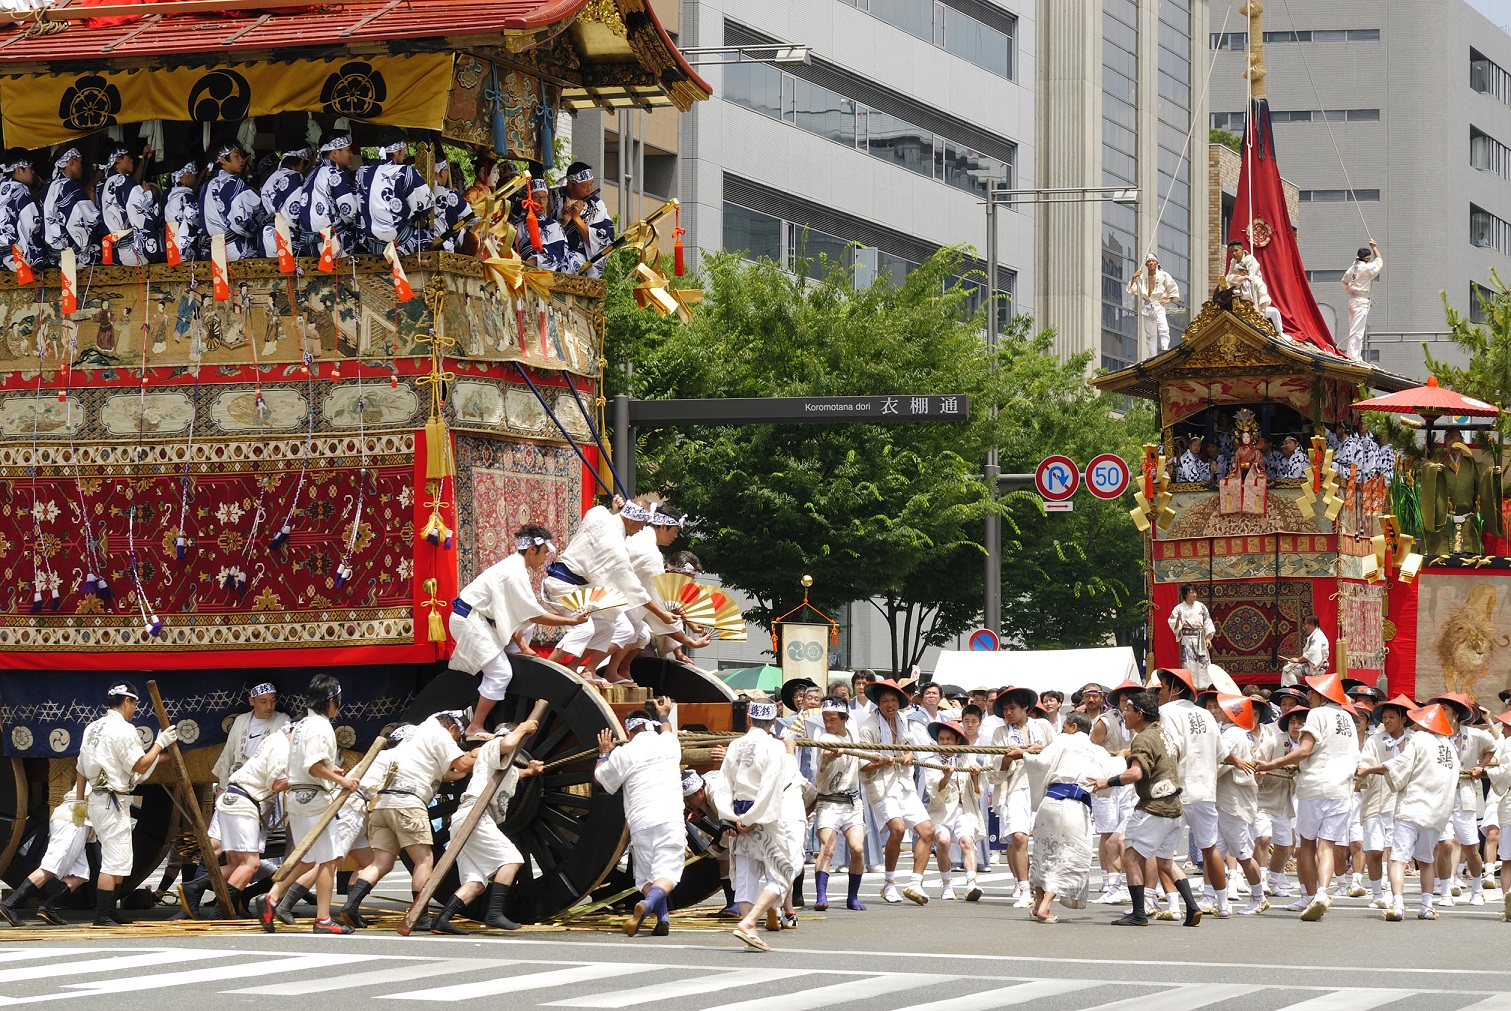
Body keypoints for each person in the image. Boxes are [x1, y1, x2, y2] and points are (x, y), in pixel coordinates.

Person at [336, 711, 474, 930]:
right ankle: (419, 916)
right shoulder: (440, 733)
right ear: (452, 728)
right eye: (457, 738)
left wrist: (462, 770)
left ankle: (351, 904)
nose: (456, 743)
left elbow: (446, 773)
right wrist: (484, 755)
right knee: (424, 860)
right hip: (408, 803)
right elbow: (463, 764)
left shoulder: (413, 737)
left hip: (383, 804)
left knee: (381, 862)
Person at [449, 525, 589, 738]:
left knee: (526, 628)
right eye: (544, 552)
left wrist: (524, 647)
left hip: (482, 621)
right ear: (532, 549)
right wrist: (572, 621)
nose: (545, 559)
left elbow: (518, 616)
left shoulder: (514, 567)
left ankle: (513, 662)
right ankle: (475, 726)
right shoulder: (514, 573)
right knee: (501, 672)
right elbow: (535, 615)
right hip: (470, 621)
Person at [255, 673, 361, 935]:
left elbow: (308, 763)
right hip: (314, 800)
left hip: (298, 799)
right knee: (329, 859)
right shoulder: (320, 726)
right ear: (332, 700)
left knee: (307, 859)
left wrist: (332, 771)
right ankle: (323, 918)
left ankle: (272, 897)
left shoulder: (302, 724)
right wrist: (342, 781)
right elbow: (313, 766)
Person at [1252, 672, 1361, 921]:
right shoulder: (1348, 718)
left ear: (1323, 695)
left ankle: (1310, 895)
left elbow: (1304, 750)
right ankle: (1321, 893)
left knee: (1307, 846)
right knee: (1327, 845)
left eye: (1312, 691)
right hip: (1342, 789)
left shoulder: (1317, 714)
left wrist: (1272, 764)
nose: (1308, 695)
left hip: (1315, 787)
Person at [1091, 690, 1202, 927]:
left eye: (1128, 710)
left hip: (1153, 807)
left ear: (1139, 714)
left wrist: (1106, 782)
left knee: (1131, 855)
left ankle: (1139, 912)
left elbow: (1135, 773)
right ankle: (1193, 907)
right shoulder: (1165, 735)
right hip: (1174, 807)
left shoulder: (1142, 739)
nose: (1124, 713)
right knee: (1165, 861)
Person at [76, 680, 178, 926]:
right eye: (134, 704)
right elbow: (140, 765)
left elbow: (80, 769)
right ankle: (101, 915)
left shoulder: (92, 728)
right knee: (112, 861)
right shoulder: (123, 729)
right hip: (111, 800)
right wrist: (160, 743)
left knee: (120, 857)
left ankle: (110, 910)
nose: (134, 709)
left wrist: (79, 804)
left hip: (98, 799)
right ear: (126, 701)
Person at [542, 499, 679, 679]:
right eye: (642, 524)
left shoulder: (599, 512)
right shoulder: (616, 549)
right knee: (585, 629)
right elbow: (634, 589)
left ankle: (578, 669)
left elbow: (604, 518)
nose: (641, 529)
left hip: (582, 590)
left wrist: (614, 511)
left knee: (613, 627)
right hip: (563, 586)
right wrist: (661, 614)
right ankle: (546, 671)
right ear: (631, 520)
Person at [1155, 668, 1252, 919]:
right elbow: (1222, 752)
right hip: (1206, 790)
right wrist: (1238, 761)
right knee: (1210, 848)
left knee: (1162, 852)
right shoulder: (1206, 715)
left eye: (1162, 687)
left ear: (1175, 689)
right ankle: (1223, 904)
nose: (1159, 693)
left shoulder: (1166, 712)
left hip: (1177, 791)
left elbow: (1169, 749)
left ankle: (1174, 906)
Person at [432, 719, 544, 934]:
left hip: (467, 820)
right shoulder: (493, 746)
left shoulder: (503, 766)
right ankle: (494, 912)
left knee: (476, 882)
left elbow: (515, 773)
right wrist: (523, 728)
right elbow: (506, 744)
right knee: (512, 859)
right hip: (476, 816)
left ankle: (442, 920)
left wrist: (530, 771)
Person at [1357, 702, 1459, 921]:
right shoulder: (1451, 747)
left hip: (1413, 806)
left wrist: (1369, 769)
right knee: (1426, 860)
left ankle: (1398, 904)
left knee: (1398, 859)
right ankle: (1427, 906)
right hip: (1436, 813)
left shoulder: (1420, 739)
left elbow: (1400, 764)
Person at [594, 699, 686, 937]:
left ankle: (661, 918)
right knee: (667, 873)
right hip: (670, 819)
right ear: (650, 726)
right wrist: (664, 713)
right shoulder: (668, 742)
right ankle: (647, 905)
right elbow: (667, 729)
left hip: (641, 822)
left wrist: (604, 753)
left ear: (628, 732)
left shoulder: (624, 752)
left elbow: (600, 779)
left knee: (646, 876)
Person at [721, 698, 805, 951]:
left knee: (745, 879)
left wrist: (733, 817)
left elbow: (723, 785)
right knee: (783, 872)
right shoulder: (774, 746)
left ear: (749, 718)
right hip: (762, 817)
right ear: (774, 720)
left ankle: (750, 931)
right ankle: (749, 922)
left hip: (738, 813)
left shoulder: (735, 744)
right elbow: (771, 787)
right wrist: (752, 818)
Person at [1009, 711, 1104, 921]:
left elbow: (1041, 763)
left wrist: (1024, 755)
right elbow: (1109, 779)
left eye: (1064, 727)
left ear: (1073, 726)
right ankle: (1045, 907)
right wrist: (1123, 756)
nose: (1062, 730)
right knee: (1068, 856)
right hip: (1075, 806)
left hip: (1050, 803)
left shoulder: (1062, 741)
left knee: (1043, 854)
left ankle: (1038, 905)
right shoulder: (1097, 751)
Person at [859, 678, 935, 905]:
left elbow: (909, 747)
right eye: (885, 701)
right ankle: (889, 883)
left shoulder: (902, 720)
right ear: (878, 703)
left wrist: (908, 755)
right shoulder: (868, 728)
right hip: (881, 785)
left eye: (893, 700)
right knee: (898, 829)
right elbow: (862, 765)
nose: (890, 705)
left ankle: (915, 883)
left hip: (904, 783)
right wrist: (881, 762)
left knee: (927, 831)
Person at [208, 721, 292, 918]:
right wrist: (308, 776)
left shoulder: (274, 739)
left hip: (237, 798)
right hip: (243, 802)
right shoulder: (282, 746)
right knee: (250, 864)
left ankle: (194, 888)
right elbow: (277, 784)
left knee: (237, 864)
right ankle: (219, 911)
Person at [991, 685, 1051, 908]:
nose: (1008, 713)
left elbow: (1056, 752)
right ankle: (1024, 888)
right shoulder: (1000, 733)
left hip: (1041, 786)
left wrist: (1036, 750)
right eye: (1005, 709)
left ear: (1025, 707)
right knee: (1018, 837)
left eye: (1013, 708)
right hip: (1015, 787)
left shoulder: (1042, 726)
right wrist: (1010, 756)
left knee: (1044, 840)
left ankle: (1043, 887)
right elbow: (996, 769)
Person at [0, 786, 94, 926]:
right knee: (49, 867)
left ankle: (48, 908)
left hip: (74, 819)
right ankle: (9, 904)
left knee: (80, 874)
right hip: (73, 820)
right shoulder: (106, 777)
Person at [1213, 693, 1271, 915]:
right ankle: (1211, 897)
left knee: (1242, 853)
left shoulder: (1233, 734)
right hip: (1224, 798)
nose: (1216, 711)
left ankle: (1259, 897)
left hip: (1233, 800)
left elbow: (1217, 763)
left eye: (1220, 708)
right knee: (1213, 851)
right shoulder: (1230, 732)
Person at [1435, 693, 1494, 907]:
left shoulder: (1474, 735)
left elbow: (1492, 747)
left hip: (1465, 794)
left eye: (1445, 709)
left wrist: (1481, 768)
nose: (1441, 712)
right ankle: (1445, 891)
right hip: (1442, 795)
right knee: (1445, 844)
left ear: (1457, 714)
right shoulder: (1434, 736)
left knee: (1470, 847)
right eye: (1440, 708)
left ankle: (1477, 889)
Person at [811, 697, 867, 912]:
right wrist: (830, 756)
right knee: (827, 848)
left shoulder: (853, 732)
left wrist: (878, 759)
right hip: (829, 802)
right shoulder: (824, 737)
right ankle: (821, 895)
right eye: (825, 719)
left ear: (845, 719)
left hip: (852, 802)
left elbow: (862, 757)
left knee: (858, 848)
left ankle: (852, 897)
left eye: (832, 719)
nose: (828, 723)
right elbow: (825, 753)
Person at [1358, 693, 1410, 910]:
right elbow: (1365, 762)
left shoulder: (1414, 741)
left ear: (1403, 719)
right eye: (1385, 717)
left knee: (1393, 850)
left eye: (1392, 717)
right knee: (1374, 850)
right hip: (1375, 799)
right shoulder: (1375, 740)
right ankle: (1377, 892)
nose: (1387, 721)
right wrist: (1365, 769)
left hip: (1402, 802)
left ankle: (1390, 891)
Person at [923, 720, 984, 902]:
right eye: (941, 739)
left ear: (957, 741)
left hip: (963, 808)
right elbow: (934, 793)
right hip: (940, 810)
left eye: (949, 739)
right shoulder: (932, 761)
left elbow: (978, 792)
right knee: (943, 841)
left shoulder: (967, 758)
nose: (945, 742)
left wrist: (975, 776)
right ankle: (947, 885)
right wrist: (946, 777)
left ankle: (972, 883)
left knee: (967, 842)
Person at [1090, 681, 1136, 905]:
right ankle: (1109, 879)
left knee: (1126, 833)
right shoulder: (1105, 721)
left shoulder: (1141, 720)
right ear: (1117, 701)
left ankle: (1126, 881)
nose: (1127, 704)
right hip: (1107, 781)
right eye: (1124, 699)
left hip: (1131, 780)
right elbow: (1091, 749)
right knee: (1108, 832)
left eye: (1131, 700)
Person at [356, 127, 433, 255]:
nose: (405, 153)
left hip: (370, 244)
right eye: (404, 149)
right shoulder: (406, 171)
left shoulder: (362, 172)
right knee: (438, 241)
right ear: (397, 151)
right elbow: (426, 205)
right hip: (400, 241)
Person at [199, 141, 262, 262]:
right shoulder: (233, 182)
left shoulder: (205, 186)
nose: (241, 160)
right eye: (236, 156)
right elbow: (245, 217)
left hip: (210, 251)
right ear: (223, 160)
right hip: (235, 249)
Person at [98, 145, 161, 265]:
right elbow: (143, 214)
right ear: (117, 159)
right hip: (131, 253)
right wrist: (148, 194)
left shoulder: (101, 185)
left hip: (111, 252)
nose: (132, 160)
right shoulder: (124, 183)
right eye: (128, 156)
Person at [299, 132, 360, 257]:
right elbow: (350, 212)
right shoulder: (335, 174)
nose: (351, 154)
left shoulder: (310, 174)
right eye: (348, 150)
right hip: (335, 244)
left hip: (311, 246)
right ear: (335, 152)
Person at [550, 161, 615, 276]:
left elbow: (602, 243)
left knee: (568, 265)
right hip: (552, 251)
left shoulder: (597, 205)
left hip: (580, 259)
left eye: (591, 184)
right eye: (585, 186)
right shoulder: (553, 197)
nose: (589, 189)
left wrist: (576, 219)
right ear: (570, 185)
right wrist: (564, 221)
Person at [42, 147, 103, 265]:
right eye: (80, 162)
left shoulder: (47, 188)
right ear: (71, 161)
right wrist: (93, 204)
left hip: (53, 257)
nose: (82, 167)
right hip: (74, 256)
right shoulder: (72, 186)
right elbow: (92, 221)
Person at [516, 177, 584, 274]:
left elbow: (555, 255)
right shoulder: (517, 226)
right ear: (528, 200)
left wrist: (527, 264)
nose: (541, 202)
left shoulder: (554, 226)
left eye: (544, 197)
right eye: (536, 197)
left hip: (540, 274)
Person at [1126, 254, 1179, 357]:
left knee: (1163, 328)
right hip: (1147, 305)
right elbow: (1131, 289)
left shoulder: (1164, 275)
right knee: (1149, 334)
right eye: (1149, 261)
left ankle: (1164, 348)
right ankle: (1153, 355)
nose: (1151, 263)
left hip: (1158, 304)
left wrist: (1168, 300)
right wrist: (1133, 277)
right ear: (1146, 264)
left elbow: (1173, 289)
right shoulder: (1142, 277)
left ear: (1157, 263)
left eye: (1153, 261)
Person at [259, 147, 309, 258]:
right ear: (302, 161)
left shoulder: (269, 177)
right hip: (285, 236)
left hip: (266, 235)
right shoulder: (295, 176)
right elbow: (294, 213)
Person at [0, 150, 41, 276]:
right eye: (30, 168)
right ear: (18, 169)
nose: (33, 172)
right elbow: (30, 224)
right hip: (15, 259)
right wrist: (36, 259)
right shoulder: (19, 189)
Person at [1340, 239, 1382, 362]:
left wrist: (1350, 290)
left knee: (1354, 328)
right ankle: (1353, 356)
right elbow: (1379, 262)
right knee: (1357, 331)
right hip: (1361, 301)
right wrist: (1374, 247)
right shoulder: (1366, 269)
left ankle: (1354, 355)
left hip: (1352, 299)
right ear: (1367, 258)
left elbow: (1344, 282)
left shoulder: (1353, 268)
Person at [1168, 585, 1215, 685]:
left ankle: (1204, 686)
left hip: (1200, 640)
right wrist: (1178, 618)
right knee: (1189, 665)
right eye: (1192, 592)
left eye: (1195, 592)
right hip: (1187, 641)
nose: (1195, 595)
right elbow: (1174, 625)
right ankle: (1190, 686)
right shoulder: (1178, 608)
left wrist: (1208, 638)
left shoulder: (1201, 607)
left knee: (1203, 665)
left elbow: (1208, 622)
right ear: (1186, 594)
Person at [1227, 261, 1287, 338]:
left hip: (1256, 309)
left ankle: (1280, 332)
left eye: (1237, 272)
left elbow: (1263, 296)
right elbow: (1231, 279)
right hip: (1242, 310)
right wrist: (1245, 277)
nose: (1235, 274)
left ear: (1244, 272)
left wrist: (1262, 311)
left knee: (1274, 312)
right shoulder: (1238, 281)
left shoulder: (1257, 280)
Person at [432, 159, 478, 254]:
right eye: (447, 171)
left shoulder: (411, 192)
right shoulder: (450, 195)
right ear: (442, 172)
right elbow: (472, 219)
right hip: (445, 251)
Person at [162, 159, 200, 264]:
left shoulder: (167, 195)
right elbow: (194, 218)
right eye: (194, 176)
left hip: (170, 243)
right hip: (186, 246)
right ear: (187, 175)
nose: (195, 179)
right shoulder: (186, 195)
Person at [1281, 614, 1329, 687]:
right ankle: (1295, 688)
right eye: (1305, 624)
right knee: (1290, 666)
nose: (1306, 626)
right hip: (1319, 665)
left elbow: (1313, 653)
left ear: (1316, 625)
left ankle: (1292, 690)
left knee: (1287, 669)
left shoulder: (1317, 637)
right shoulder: (1317, 635)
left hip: (1317, 667)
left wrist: (1298, 660)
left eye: (1309, 624)